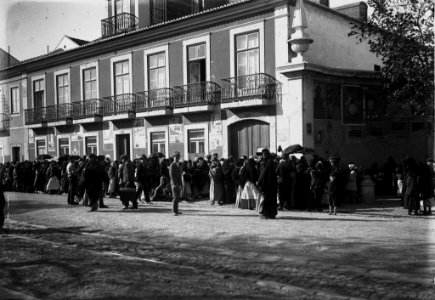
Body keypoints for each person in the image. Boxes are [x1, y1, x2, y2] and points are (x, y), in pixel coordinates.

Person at [257, 148, 278, 219]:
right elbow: (261, 173)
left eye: (264, 154)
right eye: (263, 154)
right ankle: (266, 213)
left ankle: (269, 214)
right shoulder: (264, 162)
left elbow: (268, 174)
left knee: (269, 199)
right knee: (266, 199)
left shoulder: (269, 162)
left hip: (270, 184)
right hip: (266, 183)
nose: (263, 155)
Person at [169, 152, 182, 216]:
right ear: (173, 157)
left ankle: (176, 210)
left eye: (178, 157)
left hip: (178, 183)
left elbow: (179, 175)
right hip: (174, 184)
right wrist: (175, 183)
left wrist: (180, 184)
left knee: (177, 197)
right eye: (176, 157)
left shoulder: (177, 165)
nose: (177, 158)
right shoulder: (172, 165)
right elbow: (172, 175)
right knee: (175, 197)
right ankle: (174, 211)